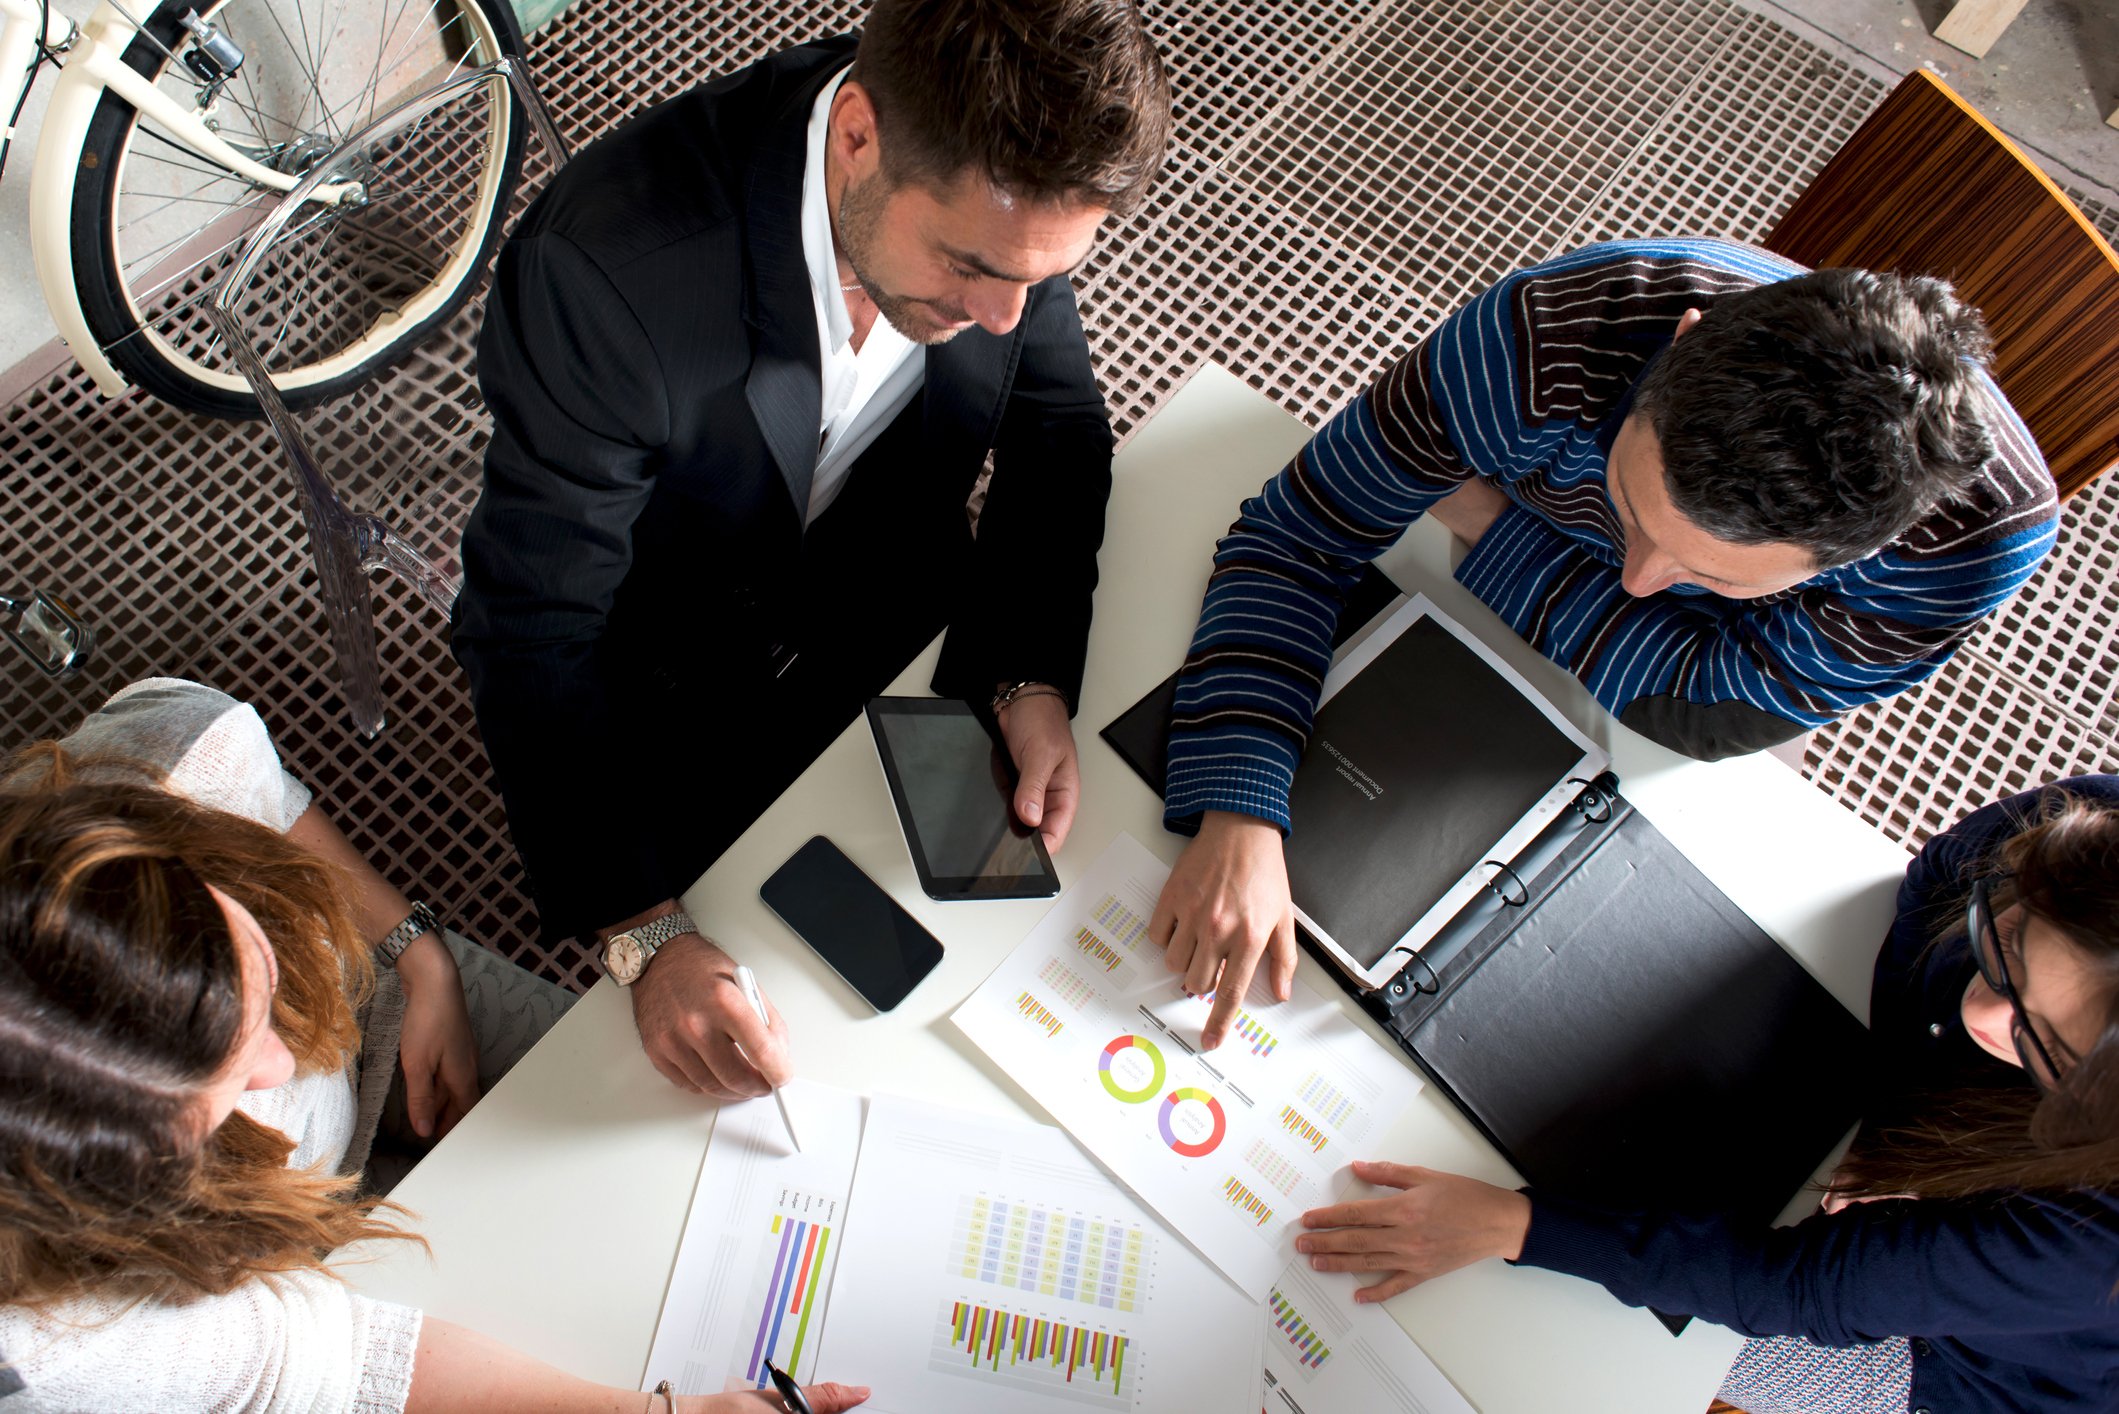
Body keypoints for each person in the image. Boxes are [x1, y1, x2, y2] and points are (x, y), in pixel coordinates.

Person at [453, 0, 1171, 1100]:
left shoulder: (1007, 204)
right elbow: (533, 630)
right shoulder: (604, 279)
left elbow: (1059, 429)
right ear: (856, 139)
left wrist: (1025, 671)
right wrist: (642, 934)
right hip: (667, 681)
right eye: (972, 267)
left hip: (892, 602)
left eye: (1039, 276)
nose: (1003, 313)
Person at [1149, 238, 2059, 1048]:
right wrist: (1241, 807)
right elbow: (1301, 532)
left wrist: (1494, 526)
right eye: (1629, 506)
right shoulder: (1538, 338)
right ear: (1680, 341)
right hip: (1540, 619)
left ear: (1861, 555)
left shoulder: (1969, 547)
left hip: (1638, 704)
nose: (1635, 574)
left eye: (1712, 577)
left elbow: (1708, 718)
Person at [0, 679, 869, 1412]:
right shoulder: (65, 1341)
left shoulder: (163, 770)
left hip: (388, 1002)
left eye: (250, 970)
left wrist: (419, 959)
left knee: (675, 1121)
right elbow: (330, 1357)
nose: (280, 1065)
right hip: (272, 1258)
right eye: (221, 1087)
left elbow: (253, 792)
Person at [1294, 778, 2119, 1414]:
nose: (1977, 1007)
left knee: (1606, 1354)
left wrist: (1514, 1223)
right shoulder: (2101, 836)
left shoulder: (2086, 1247)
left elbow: (1793, 1287)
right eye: (2005, 940)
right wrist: (1902, 1103)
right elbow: (1940, 871)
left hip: (1978, 1378)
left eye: (2039, 1040)